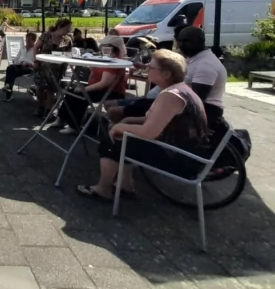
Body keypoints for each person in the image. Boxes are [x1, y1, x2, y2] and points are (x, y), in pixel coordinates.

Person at [78, 49, 209, 201]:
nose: (147, 69)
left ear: (166, 74)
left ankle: (103, 189)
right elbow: (158, 120)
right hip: (184, 151)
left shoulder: (171, 96)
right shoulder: (181, 89)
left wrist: (120, 127)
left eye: (151, 67)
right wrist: (128, 121)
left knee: (111, 142)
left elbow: (148, 132)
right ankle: (125, 185)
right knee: (124, 137)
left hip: (182, 159)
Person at [49, 35, 128, 135]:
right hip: (98, 88)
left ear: (112, 47)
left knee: (80, 96)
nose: (102, 46)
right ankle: (61, 119)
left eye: (105, 45)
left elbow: (104, 84)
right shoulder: (104, 57)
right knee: (71, 92)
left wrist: (85, 89)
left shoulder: (114, 62)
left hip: (112, 92)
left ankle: (74, 125)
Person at [32, 18, 73, 117]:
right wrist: (35, 61)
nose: (68, 31)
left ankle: (49, 110)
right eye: (66, 28)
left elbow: (69, 54)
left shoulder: (67, 39)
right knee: (40, 88)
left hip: (58, 68)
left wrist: (65, 63)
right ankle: (40, 107)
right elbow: (36, 47)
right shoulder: (46, 35)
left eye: (69, 29)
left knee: (52, 89)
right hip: (42, 65)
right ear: (59, 27)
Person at [2, 32, 37, 102]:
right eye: (26, 40)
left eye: (29, 40)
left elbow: (35, 63)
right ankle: (8, 87)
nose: (27, 42)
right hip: (19, 65)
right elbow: (16, 59)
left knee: (12, 71)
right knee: (10, 68)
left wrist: (27, 64)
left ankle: (8, 89)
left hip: (28, 68)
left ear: (34, 41)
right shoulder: (23, 48)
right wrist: (18, 63)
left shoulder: (35, 50)